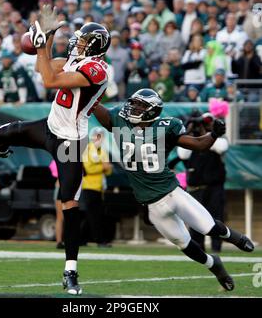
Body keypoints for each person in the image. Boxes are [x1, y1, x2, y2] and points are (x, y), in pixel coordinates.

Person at [0, 5, 111, 296]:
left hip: (71, 141)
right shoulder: (75, 59)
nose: (77, 43)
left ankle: (70, 270)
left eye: (83, 41)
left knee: (69, 205)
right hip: (49, 127)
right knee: (0, 133)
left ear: (95, 47)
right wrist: (42, 40)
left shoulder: (97, 69)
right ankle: (0, 149)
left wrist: (43, 43)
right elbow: (39, 66)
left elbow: (49, 80)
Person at [94, 88, 254, 291]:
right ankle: (215, 266)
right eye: (134, 102)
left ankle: (234, 237)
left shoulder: (166, 126)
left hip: (172, 193)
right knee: (184, 244)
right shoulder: (118, 119)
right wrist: (82, 87)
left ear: (152, 111)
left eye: (141, 105)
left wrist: (214, 134)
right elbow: (92, 104)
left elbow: (198, 144)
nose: (134, 107)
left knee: (208, 227)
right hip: (151, 204)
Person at [177, 113, 229, 253]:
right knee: (195, 219)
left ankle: (216, 248)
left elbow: (221, 147)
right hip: (196, 187)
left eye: (208, 122)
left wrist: (209, 135)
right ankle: (199, 248)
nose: (205, 125)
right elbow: (182, 154)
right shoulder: (192, 140)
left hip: (214, 187)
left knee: (216, 217)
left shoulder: (219, 139)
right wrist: (191, 134)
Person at [81, 128, 112, 247]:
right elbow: (88, 169)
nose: (99, 138)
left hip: (99, 188)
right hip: (89, 186)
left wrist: (107, 168)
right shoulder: (87, 149)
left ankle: (81, 239)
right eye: (97, 136)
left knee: (94, 215)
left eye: (101, 136)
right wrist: (103, 167)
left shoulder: (103, 151)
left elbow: (108, 171)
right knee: (93, 215)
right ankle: (100, 240)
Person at [49, 160, 64, 249]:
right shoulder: (59, 157)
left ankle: (63, 240)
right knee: (60, 216)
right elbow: (53, 168)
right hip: (60, 187)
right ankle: (59, 241)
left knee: (67, 216)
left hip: (66, 186)